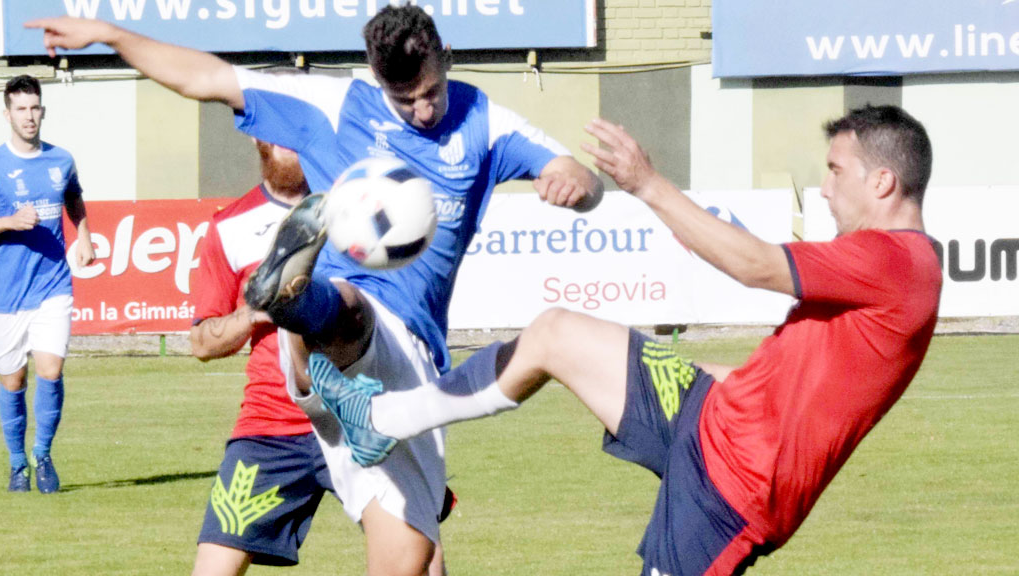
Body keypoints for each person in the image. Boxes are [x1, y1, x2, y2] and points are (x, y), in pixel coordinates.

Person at [30, 6, 602, 575]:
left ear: (446, 59)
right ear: (378, 81)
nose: (423, 111)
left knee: (409, 562)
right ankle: (291, 295)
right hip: (342, 328)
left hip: (408, 373)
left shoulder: (486, 122)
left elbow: (580, 176)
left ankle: (298, 312)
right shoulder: (335, 107)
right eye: (405, 101)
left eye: (430, 93)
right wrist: (108, 34)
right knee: (353, 308)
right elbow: (206, 77)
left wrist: (574, 182)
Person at [309, 105, 943, 575]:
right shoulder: (890, 264)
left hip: (736, 489)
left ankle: (387, 418)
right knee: (555, 334)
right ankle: (383, 420)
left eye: (835, 172)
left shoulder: (895, 261)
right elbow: (799, 376)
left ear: (883, 182)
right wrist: (692, 367)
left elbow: (754, 265)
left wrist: (645, 183)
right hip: (711, 413)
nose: (825, 188)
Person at [187, 138, 333, 574]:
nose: (296, 141)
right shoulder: (229, 226)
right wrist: (257, 309)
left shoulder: (352, 207)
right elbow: (202, 343)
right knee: (213, 568)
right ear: (257, 137)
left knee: (420, 552)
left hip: (361, 417)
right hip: (271, 428)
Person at [0, 75, 95, 494]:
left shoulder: (61, 160)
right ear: (8, 114)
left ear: (43, 111)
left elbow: (73, 197)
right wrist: (8, 223)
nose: (29, 116)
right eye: (21, 108)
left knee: (51, 370)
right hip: (5, 293)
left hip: (53, 284)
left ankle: (42, 454)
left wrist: (85, 234)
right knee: (12, 380)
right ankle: (18, 464)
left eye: (35, 107)